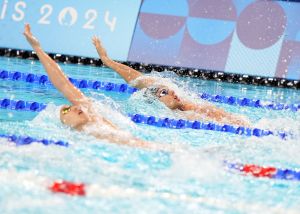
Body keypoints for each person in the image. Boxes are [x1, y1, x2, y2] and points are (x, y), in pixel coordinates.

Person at [23, 23, 170, 151]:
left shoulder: (94, 119)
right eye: (66, 110)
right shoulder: (76, 138)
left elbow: (63, 83)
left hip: (144, 148)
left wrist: (37, 48)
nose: (75, 107)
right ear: (64, 124)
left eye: (71, 105)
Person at [92, 37, 250, 127]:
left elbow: (136, 78)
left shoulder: (185, 103)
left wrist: (108, 61)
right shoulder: (185, 117)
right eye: (164, 93)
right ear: (157, 103)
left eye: (167, 89)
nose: (172, 91)